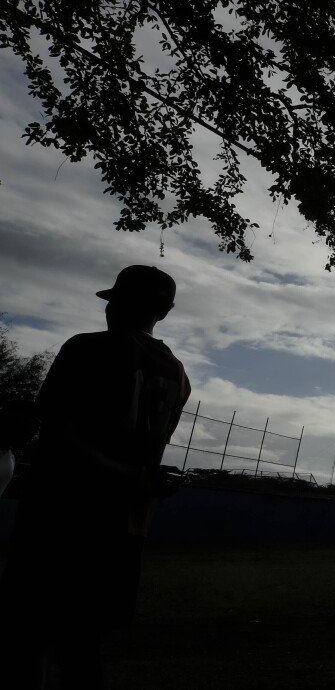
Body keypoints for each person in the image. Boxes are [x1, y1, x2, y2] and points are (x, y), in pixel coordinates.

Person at [0, 264, 191, 688]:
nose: (109, 310)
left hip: (61, 513)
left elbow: (56, 432)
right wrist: (141, 480)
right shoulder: (178, 374)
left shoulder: (86, 348)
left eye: (115, 301)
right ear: (165, 311)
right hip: (126, 525)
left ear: (119, 304)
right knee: (83, 646)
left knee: (27, 636)